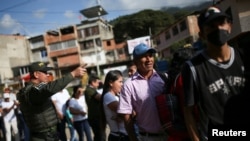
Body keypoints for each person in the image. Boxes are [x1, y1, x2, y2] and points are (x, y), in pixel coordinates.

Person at [181, 6, 245, 141]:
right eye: (211, 25)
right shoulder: (192, 67)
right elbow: (188, 111)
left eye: (221, 23)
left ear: (230, 26)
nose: (218, 29)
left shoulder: (245, 56)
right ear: (202, 34)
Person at [17, 61, 87, 141]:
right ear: (36, 74)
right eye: (45, 72)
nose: (48, 75)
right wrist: (73, 74)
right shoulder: (32, 91)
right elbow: (50, 88)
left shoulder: (37, 88)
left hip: (49, 135)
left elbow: (48, 86)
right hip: (42, 137)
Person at [117, 43, 168, 141]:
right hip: (147, 138)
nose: (149, 59)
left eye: (150, 56)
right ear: (135, 61)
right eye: (144, 56)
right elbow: (126, 116)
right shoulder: (129, 85)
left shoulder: (164, 78)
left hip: (170, 135)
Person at [166, 47, 196, 141]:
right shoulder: (183, 79)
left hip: (178, 134)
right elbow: (192, 109)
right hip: (189, 133)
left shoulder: (174, 78)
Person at [100, 70, 129, 141]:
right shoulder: (108, 96)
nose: (122, 84)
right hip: (119, 137)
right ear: (111, 83)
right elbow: (126, 112)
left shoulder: (116, 96)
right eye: (120, 82)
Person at [85, 75, 106, 141]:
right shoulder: (89, 90)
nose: (98, 84)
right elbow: (100, 98)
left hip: (97, 116)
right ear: (92, 82)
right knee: (100, 136)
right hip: (95, 117)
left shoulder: (92, 89)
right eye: (97, 82)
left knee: (101, 135)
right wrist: (105, 88)